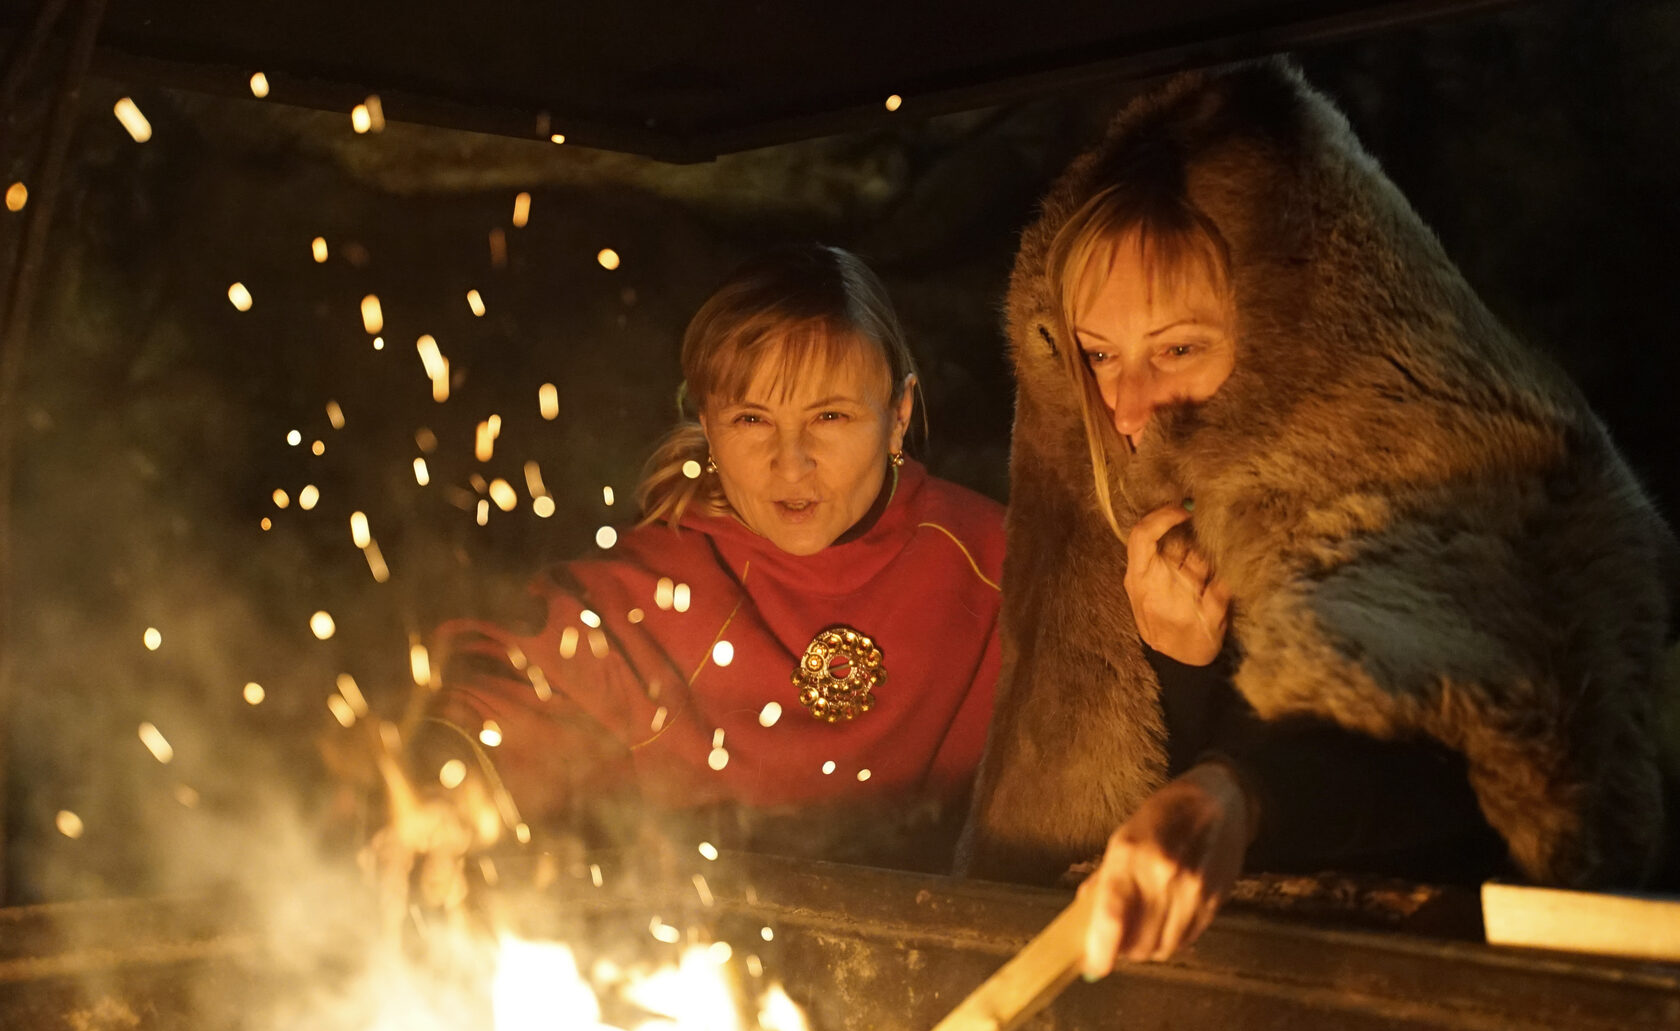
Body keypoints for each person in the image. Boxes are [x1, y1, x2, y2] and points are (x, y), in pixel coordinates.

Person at [957, 61, 1679, 971]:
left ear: (1288, 331)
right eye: (1100, 355)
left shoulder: (1484, 463)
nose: (1130, 405)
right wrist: (1182, 666)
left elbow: (1440, 734)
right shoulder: (1136, 502)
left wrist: (1236, 790)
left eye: (1178, 347)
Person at [408, 245, 1005, 874]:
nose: (791, 462)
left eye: (829, 415)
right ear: (709, 426)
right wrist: (451, 797)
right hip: (701, 947)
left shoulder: (999, 565)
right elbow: (520, 685)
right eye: (753, 419)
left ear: (897, 417)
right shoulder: (657, 591)